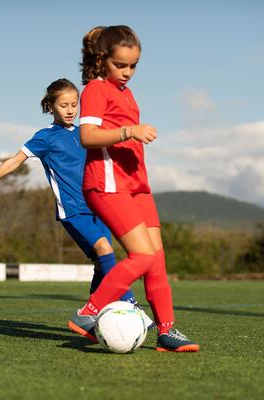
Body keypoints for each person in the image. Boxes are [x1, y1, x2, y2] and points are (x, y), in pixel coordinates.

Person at [0, 78, 153, 336]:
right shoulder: (45, 138)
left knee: (101, 263)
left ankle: (89, 320)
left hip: (101, 207)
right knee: (105, 251)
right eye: (64, 105)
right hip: (73, 211)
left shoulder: (88, 134)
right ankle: (130, 304)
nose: (71, 110)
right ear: (51, 106)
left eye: (75, 104)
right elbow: (13, 162)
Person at [68, 26, 199, 352]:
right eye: (120, 65)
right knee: (141, 256)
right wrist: (129, 131)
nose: (127, 73)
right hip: (107, 184)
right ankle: (90, 311)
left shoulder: (125, 92)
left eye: (133, 66)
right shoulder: (96, 89)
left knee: (157, 260)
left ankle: (167, 332)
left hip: (137, 186)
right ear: (103, 60)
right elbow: (86, 137)